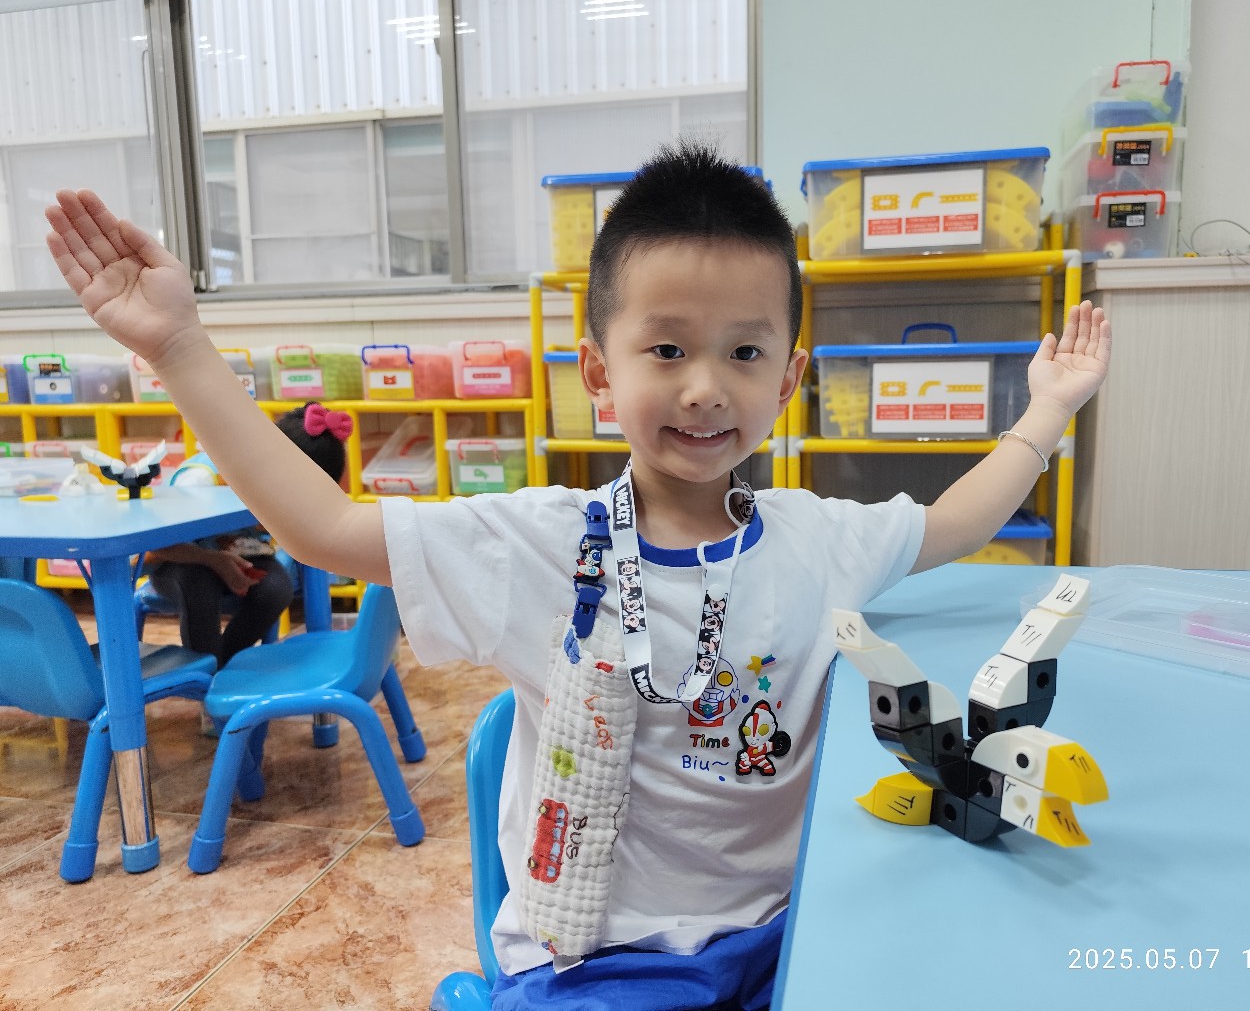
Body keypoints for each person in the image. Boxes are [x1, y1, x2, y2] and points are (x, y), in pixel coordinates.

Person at [44, 140, 1111, 1011]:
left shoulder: (819, 539)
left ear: (790, 378)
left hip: (784, 934)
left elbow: (953, 522)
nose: (705, 388)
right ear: (598, 371)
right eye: (667, 350)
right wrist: (179, 347)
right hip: (600, 962)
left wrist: (1049, 410)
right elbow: (322, 526)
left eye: (744, 354)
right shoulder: (540, 544)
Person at [142, 402, 349, 669]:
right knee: (199, 585)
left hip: (241, 554)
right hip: (178, 561)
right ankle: (206, 674)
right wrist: (214, 561)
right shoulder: (201, 480)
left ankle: (222, 666)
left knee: (276, 589)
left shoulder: (277, 484)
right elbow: (156, 548)